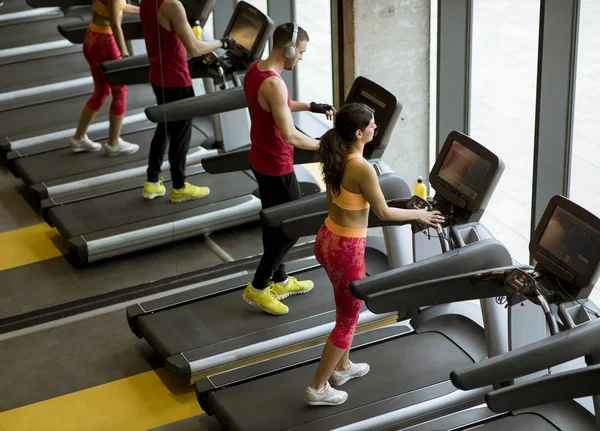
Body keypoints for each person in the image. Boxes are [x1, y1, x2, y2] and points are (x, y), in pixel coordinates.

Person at [304, 103, 445, 406]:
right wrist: (418, 216)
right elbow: (381, 211)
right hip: (346, 250)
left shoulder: (336, 153)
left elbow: (351, 201)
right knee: (347, 318)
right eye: (371, 125)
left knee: (344, 309)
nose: (375, 128)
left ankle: (342, 367)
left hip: (327, 237)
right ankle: (318, 387)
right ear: (358, 133)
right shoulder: (361, 167)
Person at [241, 22, 336, 315]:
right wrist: (325, 148)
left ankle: (280, 280)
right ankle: (258, 287)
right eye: (302, 52)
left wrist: (311, 106)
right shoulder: (274, 82)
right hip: (275, 164)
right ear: (290, 49)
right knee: (292, 227)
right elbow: (290, 136)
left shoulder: (257, 70)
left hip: (260, 158)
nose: (302, 58)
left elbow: (277, 104)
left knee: (275, 223)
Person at [140, 0, 236, 202]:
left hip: (158, 76)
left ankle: (152, 182)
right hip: (176, 80)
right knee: (180, 136)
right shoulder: (172, 5)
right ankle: (179, 187)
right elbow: (194, 48)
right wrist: (223, 43)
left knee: (164, 127)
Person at [69, 0, 141, 156]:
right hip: (105, 41)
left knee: (101, 90)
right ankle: (114, 143)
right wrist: (124, 53)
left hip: (92, 37)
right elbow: (115, 24)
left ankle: (78, 138)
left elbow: (119, 7)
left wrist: (145, 11)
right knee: (120, 90)